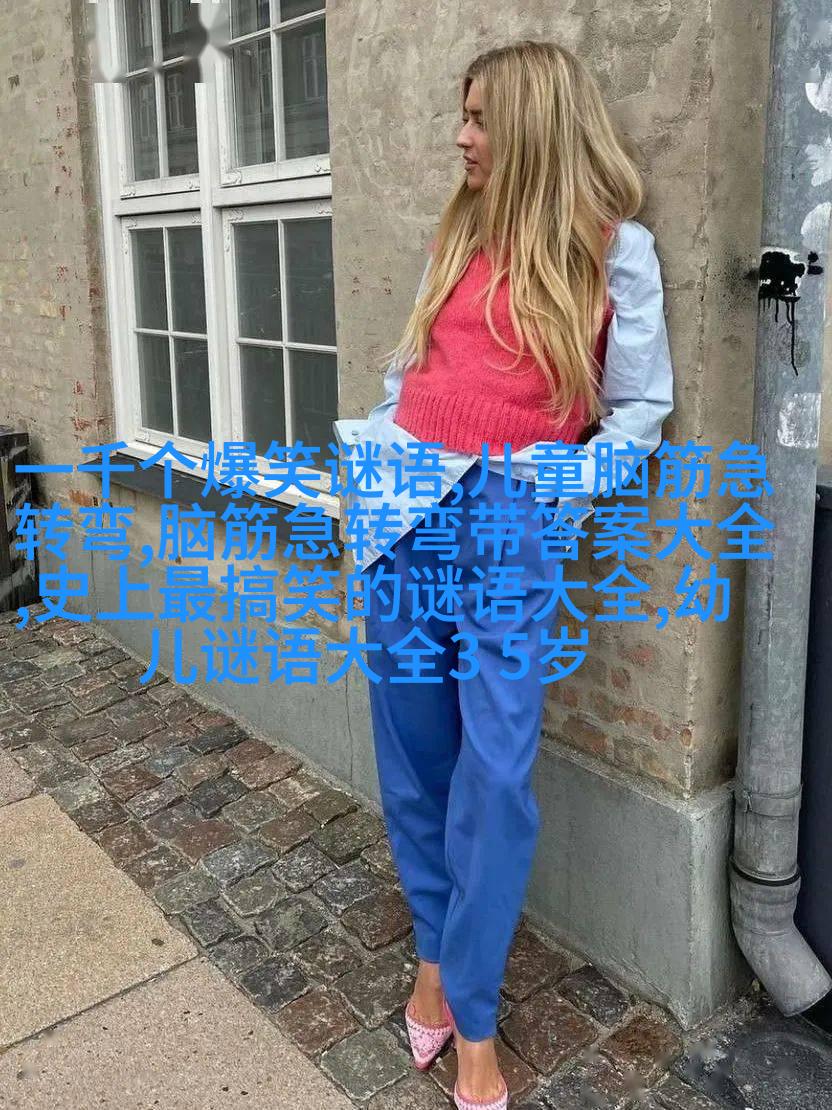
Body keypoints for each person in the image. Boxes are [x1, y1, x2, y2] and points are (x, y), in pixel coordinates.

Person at [342, 40, 674, 1109]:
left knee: (494, 773)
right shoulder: (459, 232)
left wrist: (550, 497)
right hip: (404, 510)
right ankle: (433, 960)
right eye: (463, 114)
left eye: (480, 117)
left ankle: (475, 1015)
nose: (462, 136)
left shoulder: (612, 252)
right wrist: (374, 471)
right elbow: (409, 370)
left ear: (532, 123)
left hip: (509, 523)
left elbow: (639, 411)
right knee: (416, 760)